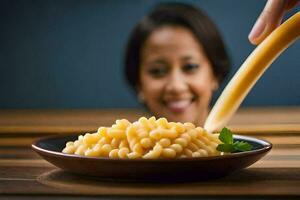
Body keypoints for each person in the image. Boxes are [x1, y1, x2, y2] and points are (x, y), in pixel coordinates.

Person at [124, 2, 230, 126]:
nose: (176, 86)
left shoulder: (245, 144)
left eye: (190, 67)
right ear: (139, 84)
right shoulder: (117, 145)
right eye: (157, 71)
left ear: (215, 75)